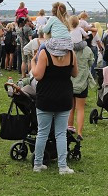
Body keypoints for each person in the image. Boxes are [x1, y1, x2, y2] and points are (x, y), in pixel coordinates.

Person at [31, 33, 78, 175]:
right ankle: (62, 166)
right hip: (64, 97)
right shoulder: (71, 54)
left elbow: (37, 75)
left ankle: (38, 164)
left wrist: (33, 62)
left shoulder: (45, 53)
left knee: (42, 132)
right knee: (61, 133)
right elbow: (75, 74)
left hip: (46, 97)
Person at [69, 40, 95, 139]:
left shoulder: (69, 50)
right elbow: (91, 63)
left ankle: (70, 128)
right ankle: (79, 133)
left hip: (71, 82)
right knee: (80, 109)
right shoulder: (87, 50)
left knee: (70, 107)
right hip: (82, 82)